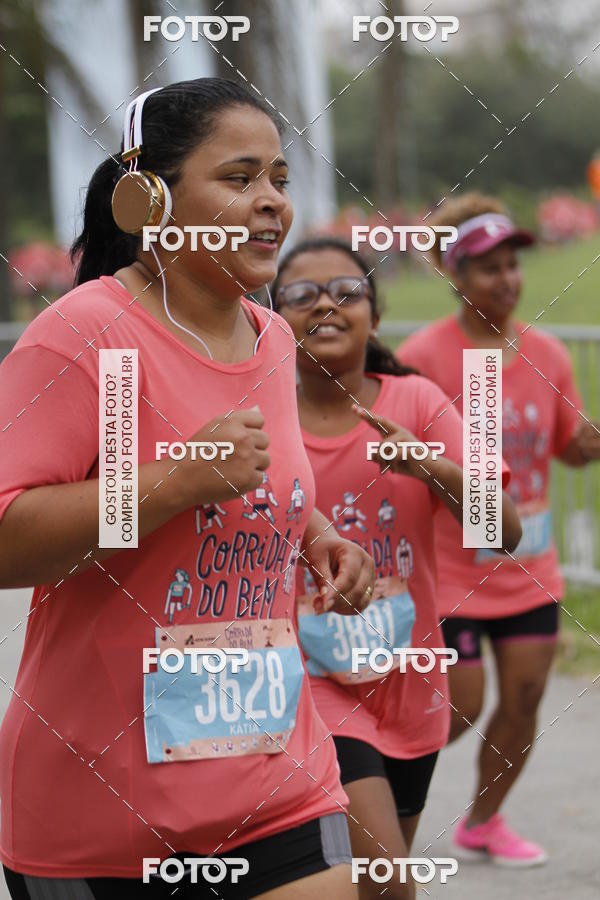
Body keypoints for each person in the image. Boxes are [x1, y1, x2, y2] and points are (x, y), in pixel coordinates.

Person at [0, 79, 377, 899]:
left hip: (278, 778)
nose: (272, 201)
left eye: (279, 178)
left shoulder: (272, 334)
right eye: (239, 178)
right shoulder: (81, 334)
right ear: (150, 198)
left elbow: (260, 480)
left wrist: (319, 539)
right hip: (106, 814)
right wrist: (170, 482)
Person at [273, 237, 521, 899]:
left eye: (346, 291)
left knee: (372, 885)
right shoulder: (262, 422)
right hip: (307, 685)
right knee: (391, 884)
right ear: (273, 319)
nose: (325, 303)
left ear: (374, 318)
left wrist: (432, 468)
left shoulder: (417, 405)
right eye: (300, 294)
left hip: (410, 685)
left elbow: (505, 530)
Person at [398, 192, 600, 867]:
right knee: (458, 705)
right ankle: (372, 801)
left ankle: (482, 822)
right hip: (450, 570)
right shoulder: (425, 355)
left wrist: (587, 444)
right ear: (455, 275)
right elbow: (402, 454)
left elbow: (566, 446)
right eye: (489, 268)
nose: (507, 279)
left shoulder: (547, 353)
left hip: (528, 566)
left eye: (513, 265)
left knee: (524, 699)